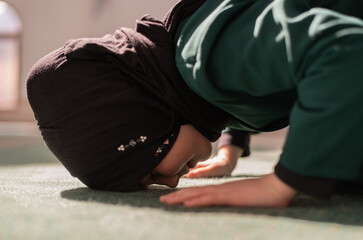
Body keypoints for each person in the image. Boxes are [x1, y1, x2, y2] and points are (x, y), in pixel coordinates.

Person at [27, 0, 363, 207]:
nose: (171, 181)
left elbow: (347, 52)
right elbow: (261, 72)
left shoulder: (204, 55)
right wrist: (231, 147)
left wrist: (286, 181)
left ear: (147, 120)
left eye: (148, 170)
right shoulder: (194, 81)